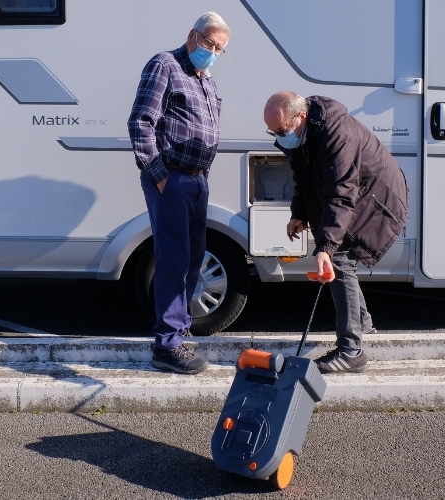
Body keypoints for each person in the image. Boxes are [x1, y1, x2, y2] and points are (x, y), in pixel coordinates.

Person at [263, 91, 409, 374]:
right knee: (340, 260)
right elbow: (303, 176)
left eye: (281, 130)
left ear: (301, 116)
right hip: (354, 194)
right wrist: (299, 213)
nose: (278, 136)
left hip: (377, 198)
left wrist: (326, 247)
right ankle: (362, 323)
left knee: (339, 259)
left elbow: (341, 194)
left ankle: (351, 350)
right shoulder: (302, 132)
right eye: (272, 131)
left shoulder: (337, 133)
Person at [128, 12, 230, 374]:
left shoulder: (207, 80)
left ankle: (178, 333)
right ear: (193, 37)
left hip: (196, 179)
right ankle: (167, 346)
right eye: (210, 44)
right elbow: (141, 120)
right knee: (173, 258)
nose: (213, 52)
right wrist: (158, 175)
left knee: (193, 258)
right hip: (170, 177)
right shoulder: (165, 65)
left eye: (220, 49)